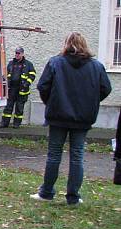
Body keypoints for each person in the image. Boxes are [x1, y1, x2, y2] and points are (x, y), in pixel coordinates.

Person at [31, 32, 111, 205]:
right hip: (82, 118)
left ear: (66, 44)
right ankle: (73, 197)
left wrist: (51, 103)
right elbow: (105, 89)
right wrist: (90, 103)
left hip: (58, 116)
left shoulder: (56, 63)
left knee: (54, 155)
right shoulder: (96, 66)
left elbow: (43, 86)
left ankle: (46, 193)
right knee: (77, 156)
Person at [1, 47, 36, 128]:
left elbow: (32, 75)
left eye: (18, 53)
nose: (17, 54)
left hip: (22, 89)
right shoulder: (11, 63)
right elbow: (6, 74)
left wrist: (27, 83)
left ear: (22, 54)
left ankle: (16, 124)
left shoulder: (28, 64)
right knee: (8, 106)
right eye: (16, 53)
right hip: (11, 89)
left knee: (19, 108)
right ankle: (4, 123)